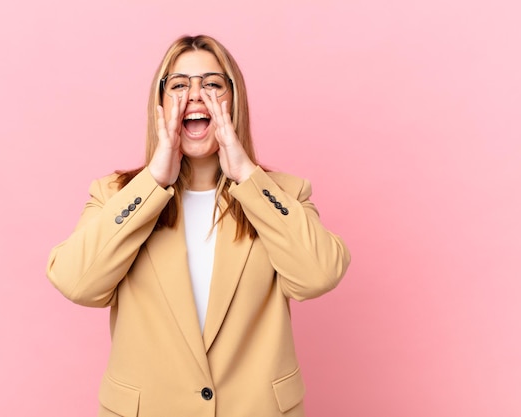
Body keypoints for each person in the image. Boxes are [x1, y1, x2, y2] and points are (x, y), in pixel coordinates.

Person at [46, 34, 351, 417]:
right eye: (178, 85)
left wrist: (246, 175)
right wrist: (154, 179)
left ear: (233, 101)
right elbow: (77, 283)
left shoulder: (282, 193)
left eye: (211, 83)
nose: (195, 95)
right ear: (159, 104)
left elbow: (318, 275)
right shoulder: (115, 195)